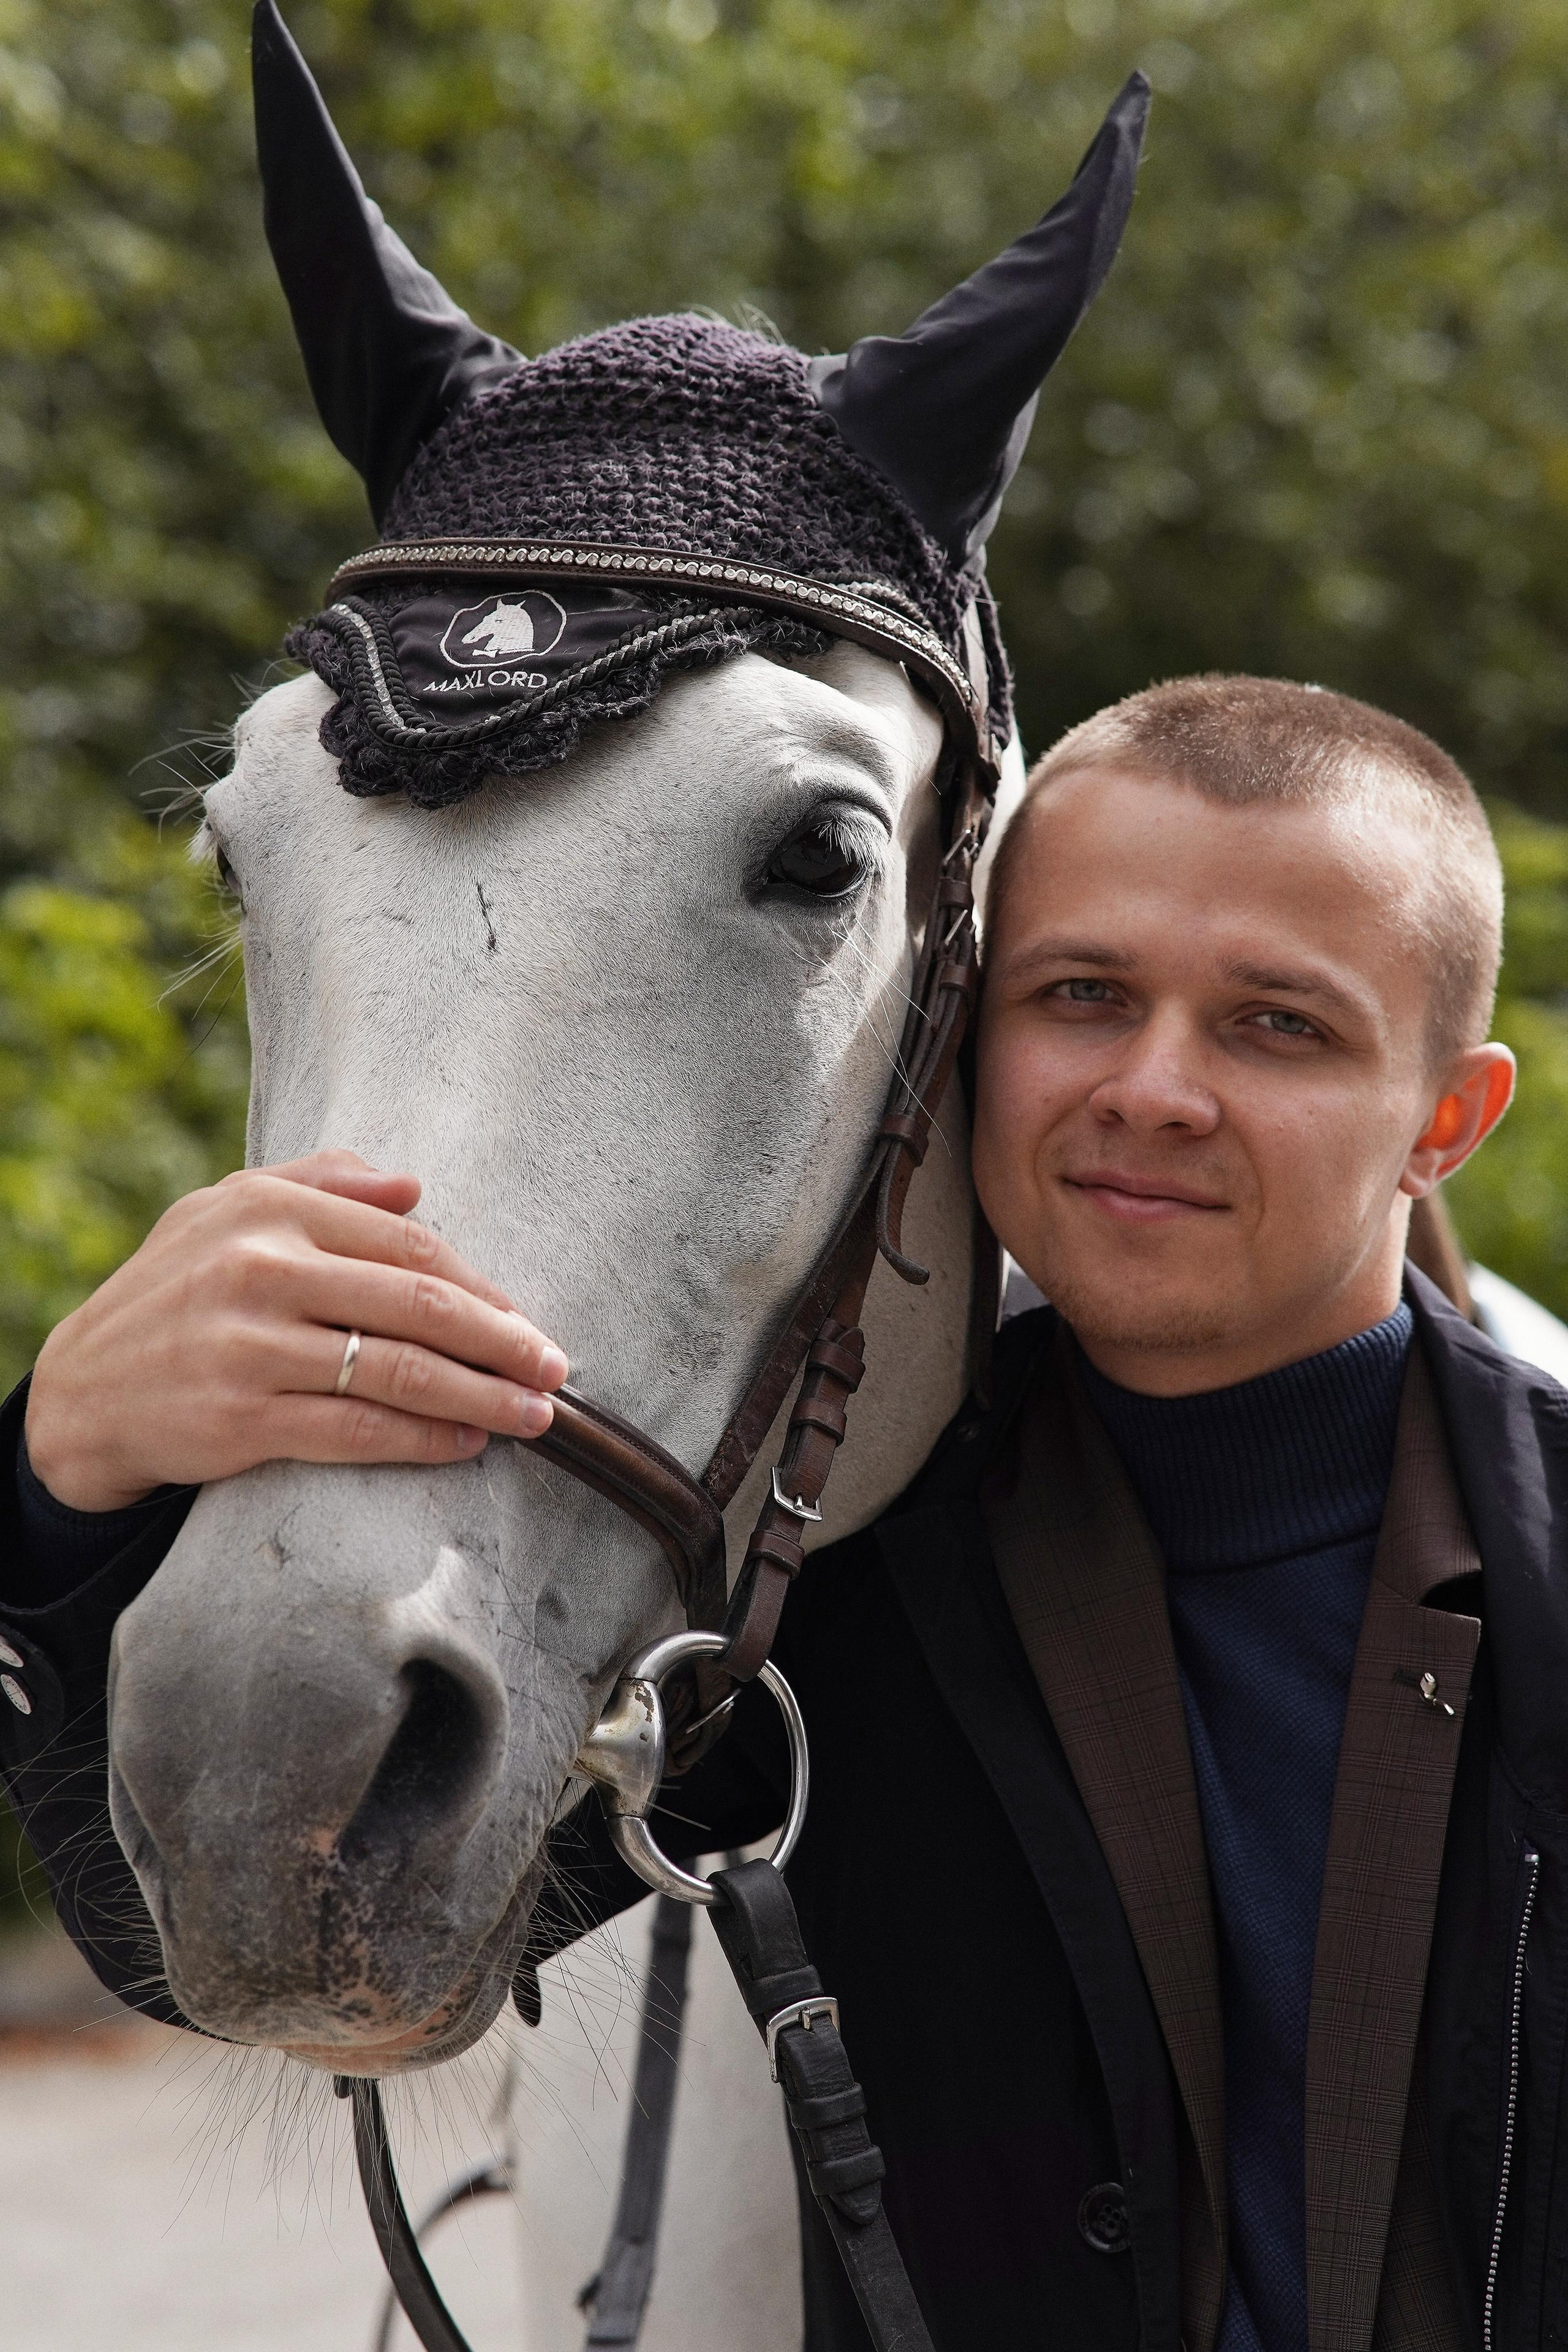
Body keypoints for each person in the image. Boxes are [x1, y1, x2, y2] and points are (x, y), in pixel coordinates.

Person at [2, 669, 1562, 2352]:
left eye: (1280, 1025)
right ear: (958, 1040)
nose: (1155, 1089)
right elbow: (250, 1941)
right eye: (1084, 995)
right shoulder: (831, 1593)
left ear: (1446, 1121)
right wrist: (58, 1483)